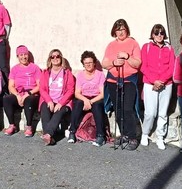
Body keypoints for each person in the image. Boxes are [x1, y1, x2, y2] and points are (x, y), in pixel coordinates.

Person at [102, 19, 142, 151]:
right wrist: (114, 62)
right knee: (118, 108)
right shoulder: (111, 45)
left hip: (129, 80)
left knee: (127, 108)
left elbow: (137, 64)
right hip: (113, 80)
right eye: (118, 29)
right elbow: (104, 63)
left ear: (127, 30)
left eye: (122, 29)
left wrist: (127, 56)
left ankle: (132, 137)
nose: (120, 32)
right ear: (114, 31)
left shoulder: (133, 43)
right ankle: (124, 134)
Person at [140, 24, 175, 151]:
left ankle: (160, 137)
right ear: (152, 35)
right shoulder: (146, 47)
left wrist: (162, 81)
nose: (159, 35)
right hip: (150, 84)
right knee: (150, 113)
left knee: (162, 113)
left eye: (161, 33)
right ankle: (145, 133)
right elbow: (143, 66)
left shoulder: (169, 48)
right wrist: (154, 81)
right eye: (156, 33)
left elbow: (172, 67)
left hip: (166, 84)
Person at [69, 51, 106, 146]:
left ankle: (100, 136)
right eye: (86, 63)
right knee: (77, 104)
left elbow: (102, 94)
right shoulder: (80, 75)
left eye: (90, 63)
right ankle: (72, 132)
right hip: (83, 97)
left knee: (97, 106)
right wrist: (85, 100)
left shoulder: (100, 74)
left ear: (94, 63)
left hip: (96, 98)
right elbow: (77, 93)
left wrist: (91, 101)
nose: (88, 65)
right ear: (83, 64)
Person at [39, 49, 75, 145]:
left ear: (61, 58)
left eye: (58, 56)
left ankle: (48, 134)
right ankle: (50, 137)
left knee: (59, 111)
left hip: (63, 101)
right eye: (52, 56)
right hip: (49, 100)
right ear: (50, 59)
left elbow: (70, 90)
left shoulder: (67, 73)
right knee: (44, 108)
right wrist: (49, 101)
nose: (55, 58)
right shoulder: (45, 73)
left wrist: (61, 103)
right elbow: (42, 89)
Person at [3, 45, 41, 136]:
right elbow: (11, 86)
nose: (23, 57)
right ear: (17, 56)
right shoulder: (14, 69)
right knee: (7, 99)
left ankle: (29, 126)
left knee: (29, 99)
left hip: (31, 93)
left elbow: (39, 86)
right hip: (19, 93)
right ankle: (12, 125)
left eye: (25, 54)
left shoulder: (35, 68)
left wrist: (28, 94)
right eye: (21, 55)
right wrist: (17, 95)